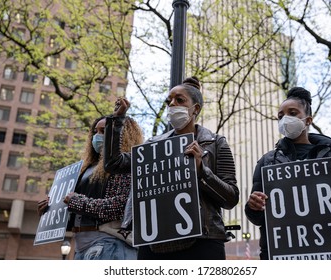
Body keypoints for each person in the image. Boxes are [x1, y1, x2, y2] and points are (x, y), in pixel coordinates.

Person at [104, 76, 239, 260]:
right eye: (169, 101)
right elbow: (114, 163)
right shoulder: (152, 147)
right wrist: (116, 121)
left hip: (203, 243)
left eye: (180, 100)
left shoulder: (215, 143)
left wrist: (202, 171)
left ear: (195, 109)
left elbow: (231, 197)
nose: (172, 104)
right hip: (155, 244)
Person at [244, 87, 331, 260]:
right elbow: (257, 218)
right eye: (281, 116)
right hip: (285, 256)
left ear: (308, 120)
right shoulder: (267, 162)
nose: (285, 119)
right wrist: (253, 206)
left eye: (292, 113)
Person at [37, 110, 144, 260]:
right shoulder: (84, 169)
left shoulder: (126, 165)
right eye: (95, 132)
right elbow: (77, 215)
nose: (97, 136)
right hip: (81, 248)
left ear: (122, 134)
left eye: (103, 131)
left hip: (109, 244)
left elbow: (121, 207)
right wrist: (50, 211)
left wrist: (77, 202)